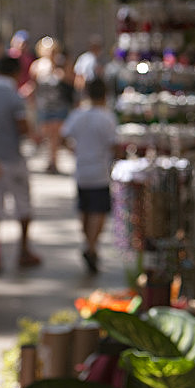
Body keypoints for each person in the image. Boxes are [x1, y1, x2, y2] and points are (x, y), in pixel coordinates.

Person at [0, 57, 42, 268]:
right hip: (12, 157)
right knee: (22, 203)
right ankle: (23, 250)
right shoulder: (14, 96)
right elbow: (22, 126)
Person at [60, 78, 118, 274]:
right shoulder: (107, 117)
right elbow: (114, 144)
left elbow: (63, 136)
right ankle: (91, 246)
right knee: (97, 212)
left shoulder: (78, 115)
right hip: (100, 171)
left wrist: (75, 150)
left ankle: (89, 244)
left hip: (81, 170)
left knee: (84, 210)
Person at [26, 36, 74, 174]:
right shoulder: (36, 66)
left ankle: (53, 162)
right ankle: (51, 160)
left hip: (59, 104)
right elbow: (33, 84)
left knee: (56, 135)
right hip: (44, 105)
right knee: (47, 135)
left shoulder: (62, 64)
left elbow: (71, 81)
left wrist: (59, 71)